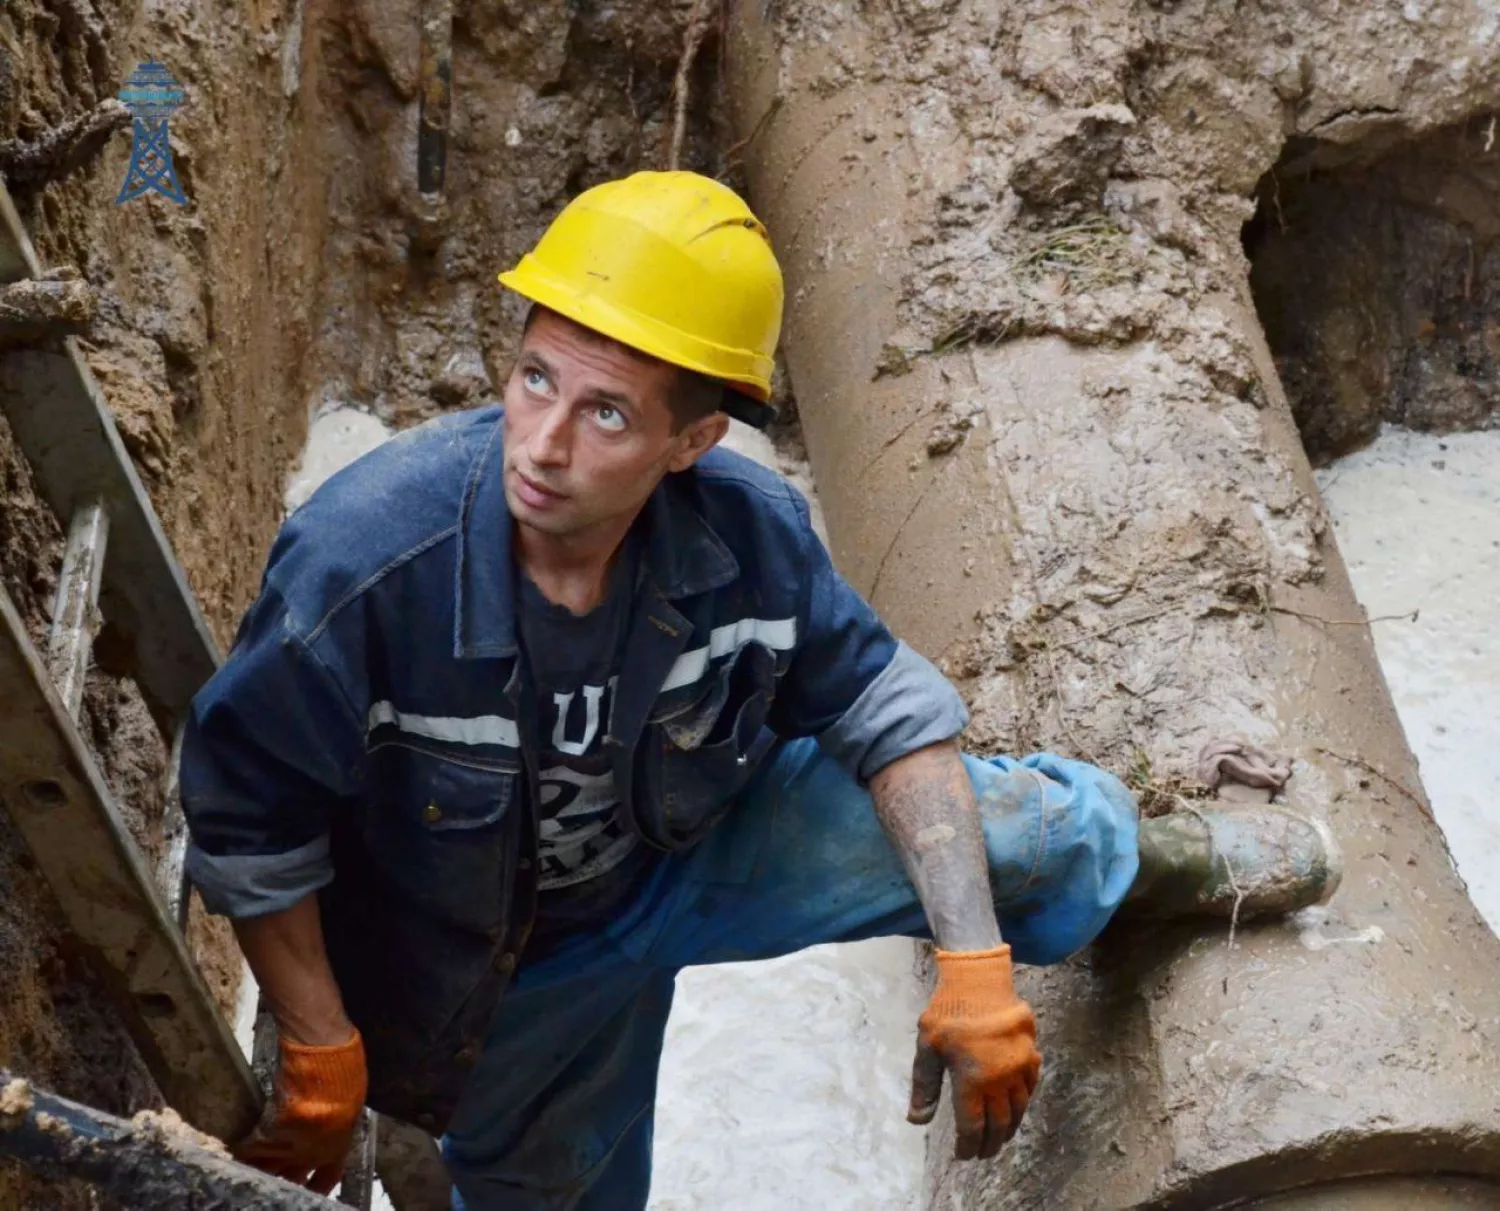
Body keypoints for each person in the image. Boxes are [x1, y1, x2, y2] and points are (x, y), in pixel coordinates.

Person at [180, 171, 1340, 1209]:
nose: (541, 443)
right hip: (502, 962)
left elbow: (888, 716)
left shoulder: (748, 534)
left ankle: (1174, 863)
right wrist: (322, 1039)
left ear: (693, 440)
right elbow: (251, 820)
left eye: (607, 413)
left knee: (1012, 828)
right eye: (535, 377)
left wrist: (975, 964)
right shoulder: (366, 567)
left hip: (697, 841)